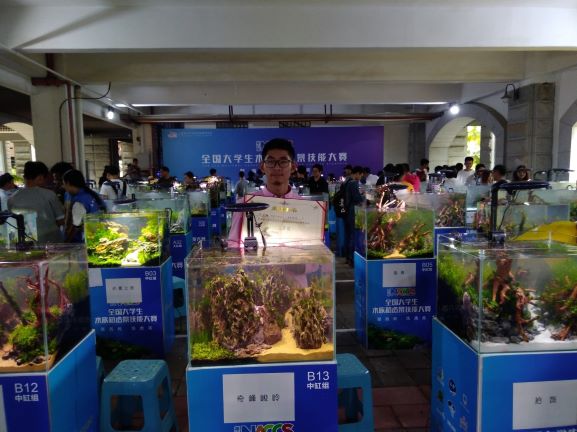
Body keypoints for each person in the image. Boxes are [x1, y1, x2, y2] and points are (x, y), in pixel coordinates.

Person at [228, 138, 299, 246]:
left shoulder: (306, 206)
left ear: (293, 167)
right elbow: (233, 245)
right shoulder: (245, 205)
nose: (277, 167)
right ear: (262, 166)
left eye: (283, 162)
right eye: (270, 162)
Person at [9, 161, 64, 244]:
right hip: (51, 244)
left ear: (24, 177)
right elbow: (61, 220)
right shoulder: (49, 195)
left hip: (24, 245)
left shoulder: (12, 198)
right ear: (40, 178)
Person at [62, 169, 106, 242]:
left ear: (68, 183)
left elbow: (76, 227)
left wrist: (66, 242)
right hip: (99, 234)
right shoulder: (90, 194)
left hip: (86, 239)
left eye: (64, 184)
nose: (64, 187)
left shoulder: (79, 201)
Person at [343, 166, 364, 266]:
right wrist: (364, 198)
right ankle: (351, 258)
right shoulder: (353, 183)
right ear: (358, 173)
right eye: (361, 175)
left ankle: (348, 257)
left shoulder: (347, 181)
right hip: (353, 211)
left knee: (349, 235)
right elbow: (357, 198)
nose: (360, 177)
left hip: (348, 210)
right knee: (352, 235)